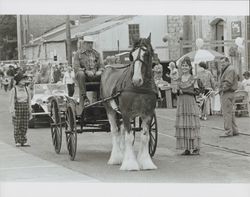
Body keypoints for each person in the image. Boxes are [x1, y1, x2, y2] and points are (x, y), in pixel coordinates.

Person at [175, 56, 201, 155]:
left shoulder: (193, 78)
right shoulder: (179, 79)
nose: (184, 67)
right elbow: (176, 91)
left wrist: (185, 91)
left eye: (186, 66)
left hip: (190, 103)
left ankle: (195, 147)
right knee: (183, 124)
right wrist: (177, 91)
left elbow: (197, 91)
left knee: (191, 124)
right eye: (183, 66)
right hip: (181, 103)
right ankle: (186, 148)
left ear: (190, 67)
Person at [73, 36, 104, 109]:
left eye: (91, 43)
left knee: (106, 74)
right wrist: (86, 71)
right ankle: (84, 97)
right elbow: (76, 67)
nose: (90, 45)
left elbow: (102, 65)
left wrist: (100, 70)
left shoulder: (96, 54)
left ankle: (102, 96)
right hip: (84, 76)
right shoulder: (78, 54)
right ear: (84, 44)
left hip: (95, 75)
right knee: (80, 74)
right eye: (88, 43)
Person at [9, 72, 32, 146]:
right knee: (17, 125)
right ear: (18, 81)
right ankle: (17, 141)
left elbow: (29, 100)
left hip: (25, 107)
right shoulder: (14, 90)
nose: (24, 81)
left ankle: (24, 140)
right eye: (23, 80)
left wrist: (30, 109)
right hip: (17, 107)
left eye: (25, 80)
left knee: (25, 125)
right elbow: (11, 101)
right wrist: (12, 111)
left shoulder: (27, 89)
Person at [218, 57, 239, 137]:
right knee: (230, 112)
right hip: (229, 92)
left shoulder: (229, 69)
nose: (222, 64)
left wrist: (222, 89)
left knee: (226, 113)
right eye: (221, 63)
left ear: (227, 62)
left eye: (223, 62)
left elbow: (228, 82)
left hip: (227, 92)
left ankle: (228, 131)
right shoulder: (229, 69)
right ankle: (234, 130)